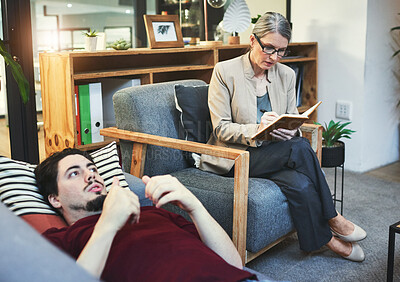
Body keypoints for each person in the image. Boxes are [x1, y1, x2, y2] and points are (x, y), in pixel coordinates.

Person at [199, 12, 366, 262]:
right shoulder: (225, 71)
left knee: (300, 181)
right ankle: (333, 217)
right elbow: (221, 129)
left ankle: (328, 241)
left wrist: (290, 129)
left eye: (281, 51)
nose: (274, 57)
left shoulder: (286, 75)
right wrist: (257, 128)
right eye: (269, 48)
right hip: (237, 157)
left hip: (276, 153)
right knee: (298, 147)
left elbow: (291, 120)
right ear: (253, 40)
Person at [34, 148, 262, 281]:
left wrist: (194, 205)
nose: (91, 176)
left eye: (92, 169)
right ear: (54, 199)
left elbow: (234, 264)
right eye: (74, 174)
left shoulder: (154, 213)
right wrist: (108, 222)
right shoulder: (62, 239)